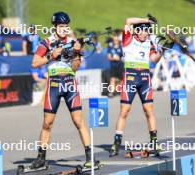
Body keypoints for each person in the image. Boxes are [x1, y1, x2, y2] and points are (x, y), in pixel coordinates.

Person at [30, 11, 94, 169]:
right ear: (55, 27)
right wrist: (52, 55)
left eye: (66, 26)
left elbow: (75, 67)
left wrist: (78, 52)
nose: (63, 29)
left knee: (79, 121)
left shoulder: (73, 42)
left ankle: (89, 157)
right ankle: (41, 158)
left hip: (70, 83)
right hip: (54, 85)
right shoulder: (46, 42)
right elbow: (35, 63)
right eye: (61, 26)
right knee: (47, 123)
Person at [109, 16, 164, 157]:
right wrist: (146, 19)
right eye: (143, 30)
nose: (145, 33)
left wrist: (161, 52)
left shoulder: (149, 43)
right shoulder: (128, 37)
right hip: (130, 78)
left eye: (147, 31)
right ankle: (116, 143)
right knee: (125, 111)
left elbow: (154, 60)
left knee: (149, 111)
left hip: (145, 78)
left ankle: (154, 141)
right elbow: (127, 20)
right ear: (137, 30)